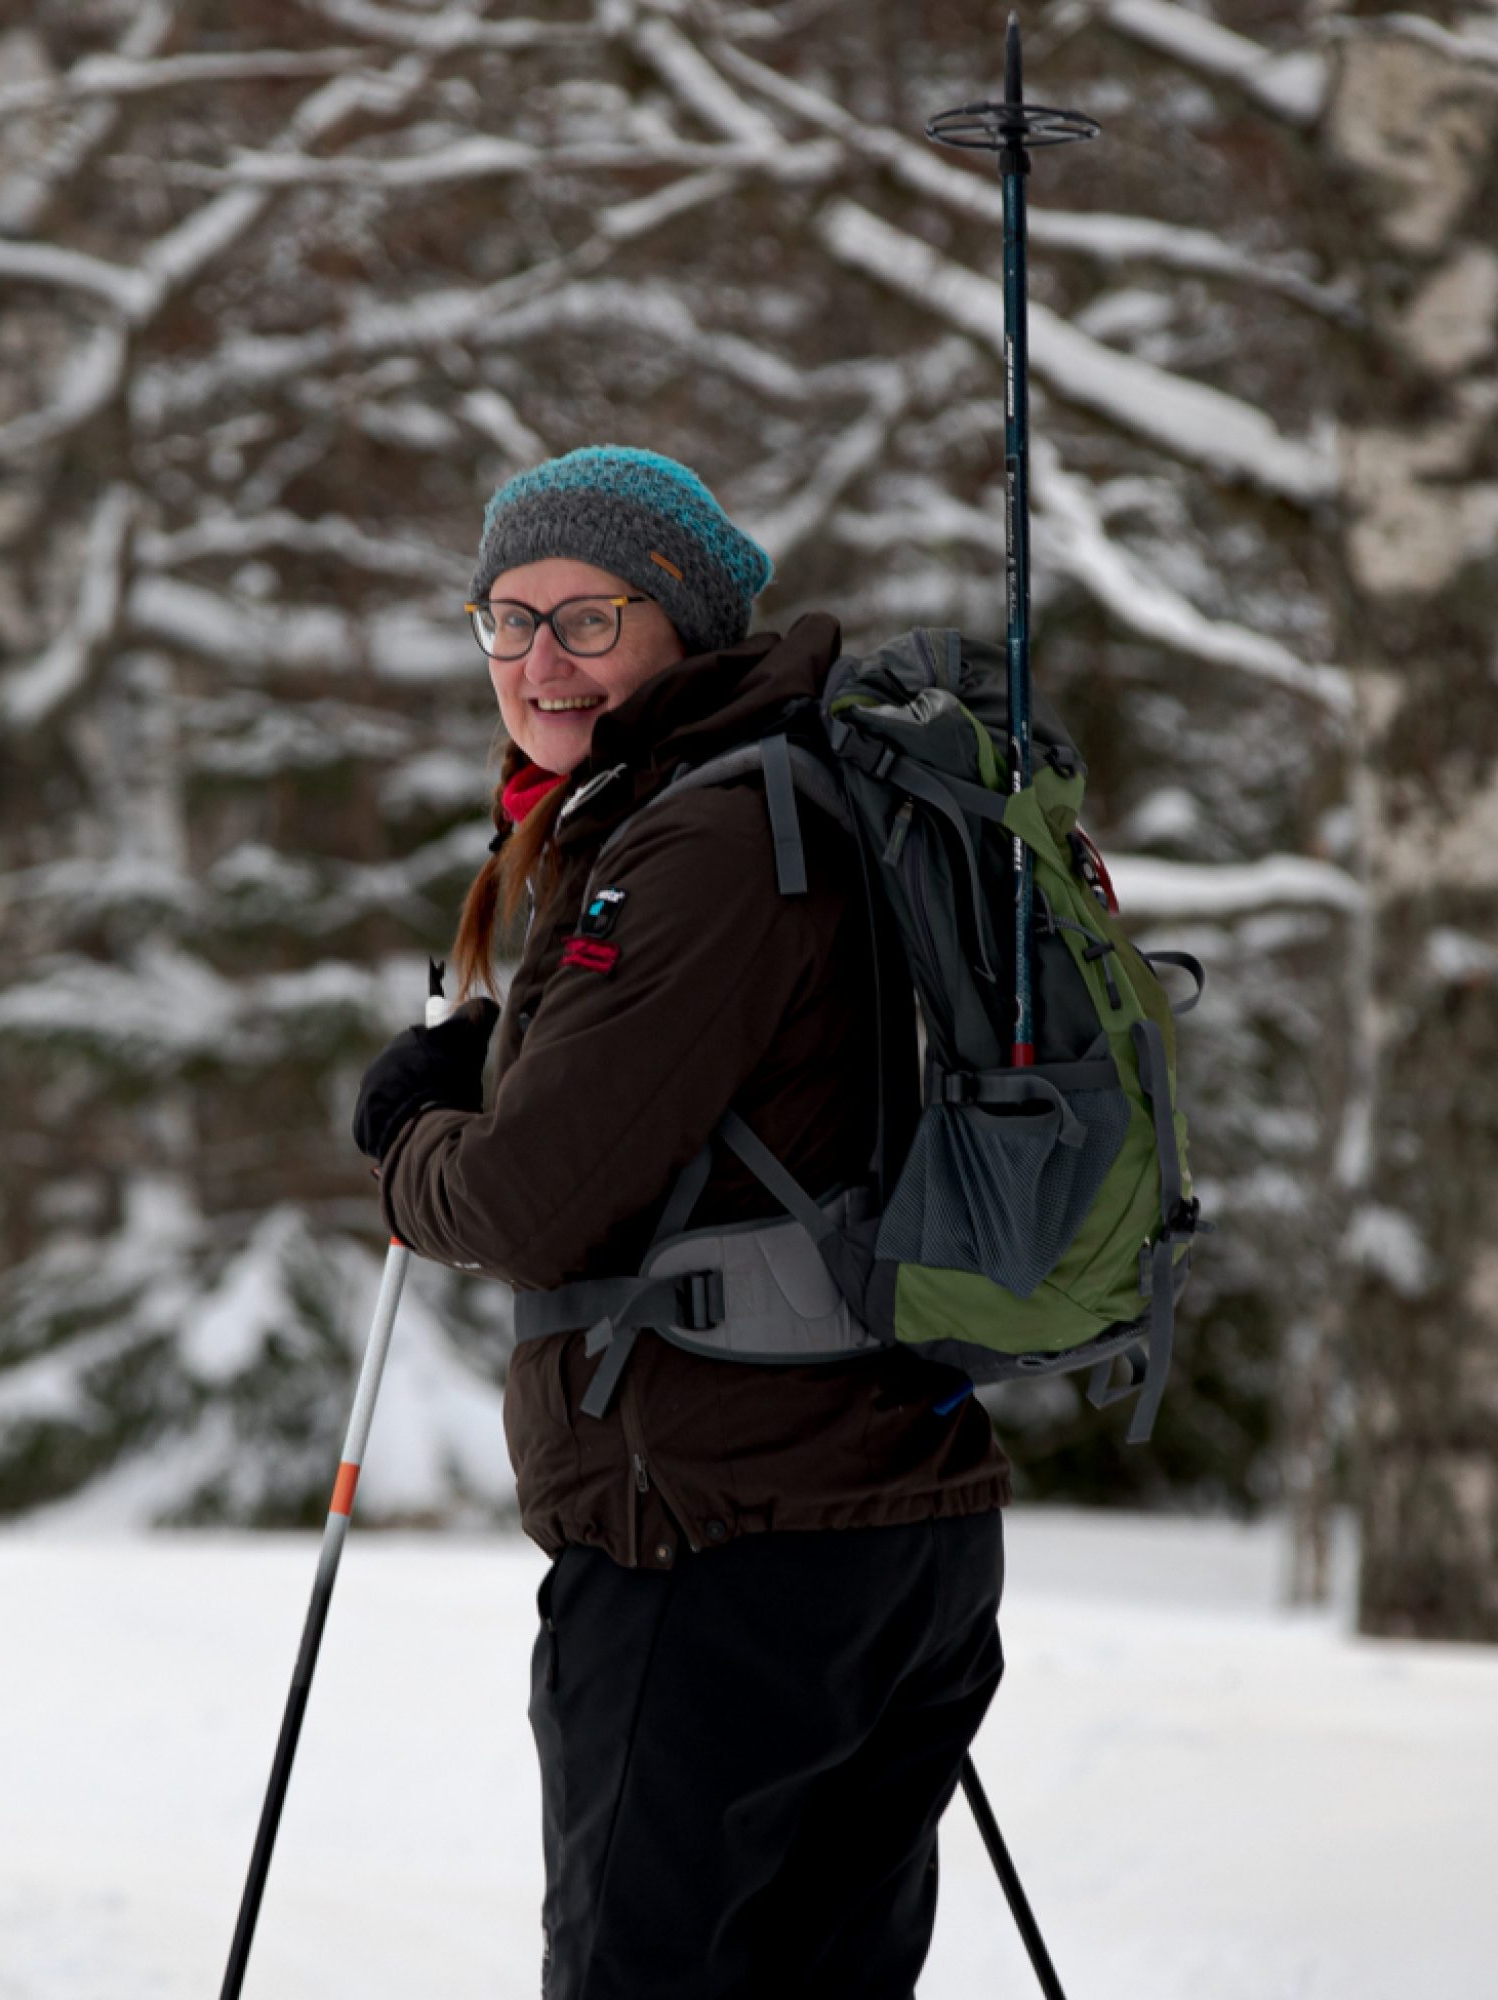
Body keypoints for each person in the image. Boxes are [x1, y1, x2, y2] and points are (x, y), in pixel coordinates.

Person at [351, 446, 1011, 1999]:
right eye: (505, 622)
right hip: (873, 1522)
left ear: (689, 626)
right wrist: (519, 1060)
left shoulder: (707, 836)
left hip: (718, 1546)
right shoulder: (792, 798)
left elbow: (533, 1203)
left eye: (590, 618)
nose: (538, 662)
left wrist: (404, 1138)